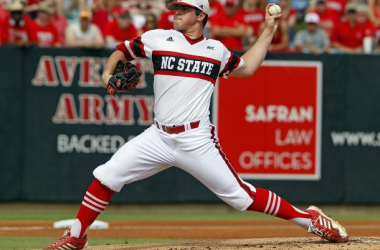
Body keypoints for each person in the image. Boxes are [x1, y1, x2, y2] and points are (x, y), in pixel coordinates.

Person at [43, 0, 349, 249]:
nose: (175, 14)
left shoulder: (216, 50)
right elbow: (123, 50)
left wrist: (268, 30)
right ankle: (76, 237)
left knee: (241, 198)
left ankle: (309, 219)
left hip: (196, 139)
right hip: (158, 136)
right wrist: (106, 74)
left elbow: (249, 67)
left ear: (201, 14)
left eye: (183, 9)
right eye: (175, 9)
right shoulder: (157, 37)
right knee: (106, 175)